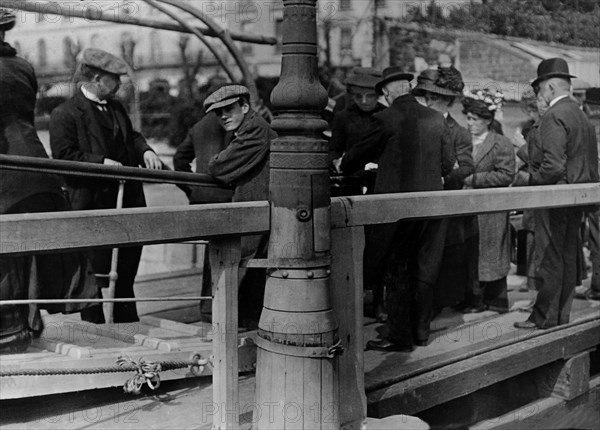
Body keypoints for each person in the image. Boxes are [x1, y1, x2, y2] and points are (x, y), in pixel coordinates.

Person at [337, 66, 455, 351]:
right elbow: (448, 165)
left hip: (396, 209)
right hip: (431, 206)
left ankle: (399, 337)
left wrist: (343, 163)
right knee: (424, 268)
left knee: (396, 267)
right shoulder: (437, 119)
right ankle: (421, 332)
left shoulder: (385, 118)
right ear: (409, 88)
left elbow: (355, 157)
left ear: (388, 92)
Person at [1, 10, 96, 352]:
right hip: (35, 167)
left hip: (6, 171)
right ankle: (26, 326)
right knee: (25, 252)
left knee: (6, 256)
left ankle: (10, 334)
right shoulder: (23, 66)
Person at [50, 48, 162, 324]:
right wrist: (102, 163)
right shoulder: (64, 114)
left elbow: (132, 137)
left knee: (125, 273)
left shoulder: (117, 108)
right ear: (98, 79)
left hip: (127, 204)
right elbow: (64, 157)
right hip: (92, 206)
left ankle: (128, 329)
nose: (121, 84)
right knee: (94, 278)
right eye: (116, 79)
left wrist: (145, 150)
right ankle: (97, 334)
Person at [513, 58, 598, 329]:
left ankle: (543, 317)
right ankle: (560, 316)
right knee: (567, 257)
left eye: (540, 90)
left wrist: (529, 179)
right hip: (577, 198)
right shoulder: (581, 114)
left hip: (554, 198)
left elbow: (553, 165)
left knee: (550, 259)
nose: (540, 95)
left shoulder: (553, 115)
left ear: (549, 87)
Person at [206, 85, 277, 326]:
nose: (223, 116)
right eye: (219, 113)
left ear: (245, 107)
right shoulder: (250, 127)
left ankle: (237, 327)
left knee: (245, 265)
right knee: (247, 267)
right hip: (257, 209)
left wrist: (215, 161)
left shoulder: (255, 130)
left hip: (257, 211)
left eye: (229, 109)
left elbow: (219, 167)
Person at [412, 66, 477, 313]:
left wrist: (443, 177)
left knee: (440, 260)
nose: (428, 102)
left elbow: (467, 166)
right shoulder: (415, 125)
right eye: (425, 97)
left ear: (447, 101)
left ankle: (435, 307)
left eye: (434, 98)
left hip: (443, 205)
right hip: (417, 203)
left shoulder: (458, 132)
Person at [461, 90, 516, 313]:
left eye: (476, 119)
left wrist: (475, 179)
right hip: (466, 207)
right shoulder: (462, 140)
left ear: (488, 121)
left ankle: (492, 299)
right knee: (471, 253)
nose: (470, 123)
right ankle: (473, 298)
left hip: (491, 209)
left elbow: (506, 174)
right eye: (468, 118)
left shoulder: (500, 143)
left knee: (491, 254)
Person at [329, 67, 384, 196]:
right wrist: (335, 161)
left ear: (378, 95)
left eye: (369, 96)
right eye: (358, 96)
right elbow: (334, 148)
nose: (364, 101)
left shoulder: (387, 116)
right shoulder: (343, 117)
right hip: (352, 180)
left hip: (380, 179)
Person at [515, 88, 549, 293]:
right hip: (532, 193)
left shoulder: (545, 126)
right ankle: (533, 287)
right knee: (531, 240)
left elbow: (540, 160)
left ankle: (538, 293)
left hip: (540, 191)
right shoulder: (533, 126)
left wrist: (521, 146)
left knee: (538, 243)